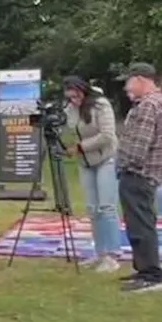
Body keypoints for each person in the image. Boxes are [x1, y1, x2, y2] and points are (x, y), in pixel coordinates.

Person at [116, 63, 162, 293]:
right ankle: (144, 269)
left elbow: (139, 145)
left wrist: (122, 163)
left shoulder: (149, 105)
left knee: (141, 225)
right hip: (150, 174)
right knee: (141, 223)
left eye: (129, 81)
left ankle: (152, 275)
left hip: (139, 174)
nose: (126, 87)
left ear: (140, 79)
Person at [63, 76, 120, 273]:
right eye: (70, 97)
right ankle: (100, 252)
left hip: (105, 159)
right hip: (85, 163)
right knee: (92, 209)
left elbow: (107, 135)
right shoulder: (70, 109)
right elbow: (70, 131)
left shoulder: (100, 105)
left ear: (83, 90)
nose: (73, 99)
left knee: (107, 207)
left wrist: (80, 146)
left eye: (76, 95)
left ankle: (112, 255)